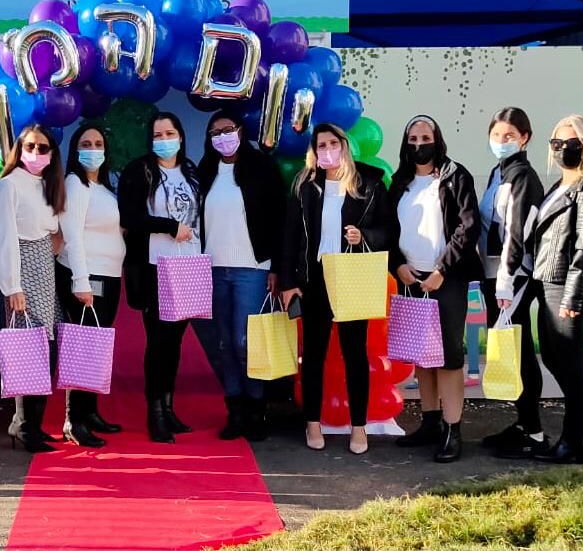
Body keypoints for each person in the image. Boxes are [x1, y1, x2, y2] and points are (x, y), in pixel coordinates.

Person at [281, 124, 390, 454]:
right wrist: (288, 282)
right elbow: (289, 236)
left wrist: (365, 236)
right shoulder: (305, 185)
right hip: (314, 278)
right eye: (321, 145)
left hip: (350, 274)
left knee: (355, 354)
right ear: (314, 151)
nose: (327, 150)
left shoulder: (368, 184)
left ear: (345, 145)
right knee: (313, 354)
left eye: (333, 143)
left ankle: (359, 427)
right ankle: (312, 423)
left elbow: (389, 229)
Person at [390, 115, 481, 463]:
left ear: (437, 140)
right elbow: (387, 227)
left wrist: (442, 269)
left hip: (446, 279)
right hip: (411, 279)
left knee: (448, 357)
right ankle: (429, 422)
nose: (419, 145)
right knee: (422, 355)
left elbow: (467, 227)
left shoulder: (456, 176)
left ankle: (452, 429)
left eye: (425, 138)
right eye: (413, 139)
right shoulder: (400, 182)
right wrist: (398, 265)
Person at [525, 114, 583, 463]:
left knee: (572, 367)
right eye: (557, 143)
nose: (563, 149)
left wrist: (572, 297)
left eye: (572, 143)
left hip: (567, 288)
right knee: (553, 358)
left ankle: (574, 443)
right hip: (548, 285)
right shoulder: (559, 187)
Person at [197, 110, 286, 442]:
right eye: (215, 132)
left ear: (240, 130)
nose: (222, 137)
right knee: (224, 343)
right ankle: (234, 411)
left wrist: (277, 267)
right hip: (212, 269)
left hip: (253, 268)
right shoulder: (204, 170)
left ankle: (256, 407)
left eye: (228, 129)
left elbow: (279, 219)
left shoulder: (262, 167)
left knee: (246, 341)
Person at [118, 112, 202, 444]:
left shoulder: (191, 170)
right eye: (157, 135)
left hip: (189, 264)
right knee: (158, 342)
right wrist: (168, 226)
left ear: (180, 136)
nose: (164, 140)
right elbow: (130, 217)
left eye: (170, 133)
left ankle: (168, 407)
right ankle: (154, 413)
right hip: (154, 267)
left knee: (175, 341)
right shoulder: (139, 170)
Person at [476, 107, 548, 459]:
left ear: (525, 138)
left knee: (519, 351)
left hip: (514, 277)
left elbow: (517, 232)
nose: (502, 142)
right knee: (512, 349)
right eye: (496, 135)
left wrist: (505, 282)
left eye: (509, 136)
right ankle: (523, 423)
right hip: (493, 274)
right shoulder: (498, 172)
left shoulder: (523, 176)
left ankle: (534, 432)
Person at [0, 124, 66, 453]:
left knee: (45, 349)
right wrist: (12, 286)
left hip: (46, 271)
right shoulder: (9, 184)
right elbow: (6, 237)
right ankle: (25, 425)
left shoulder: (48, 185)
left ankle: (31, 423)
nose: (36, 153)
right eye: (30, 147)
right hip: (23, 273)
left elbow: (53, 230)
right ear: (19, 150)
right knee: (30, 351)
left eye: (43, 147)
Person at [56, 122, 126, 447]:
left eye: (98, 144)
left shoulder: (103, 188)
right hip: (87, 277)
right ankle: (74, 420)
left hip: (108, 275)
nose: (93, 149)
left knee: (95, 347)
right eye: (86, 144)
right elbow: (72, 236)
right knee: (82, 347)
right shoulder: (75, 183)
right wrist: (80, 281)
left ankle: (90, 411)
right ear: (75, 150)